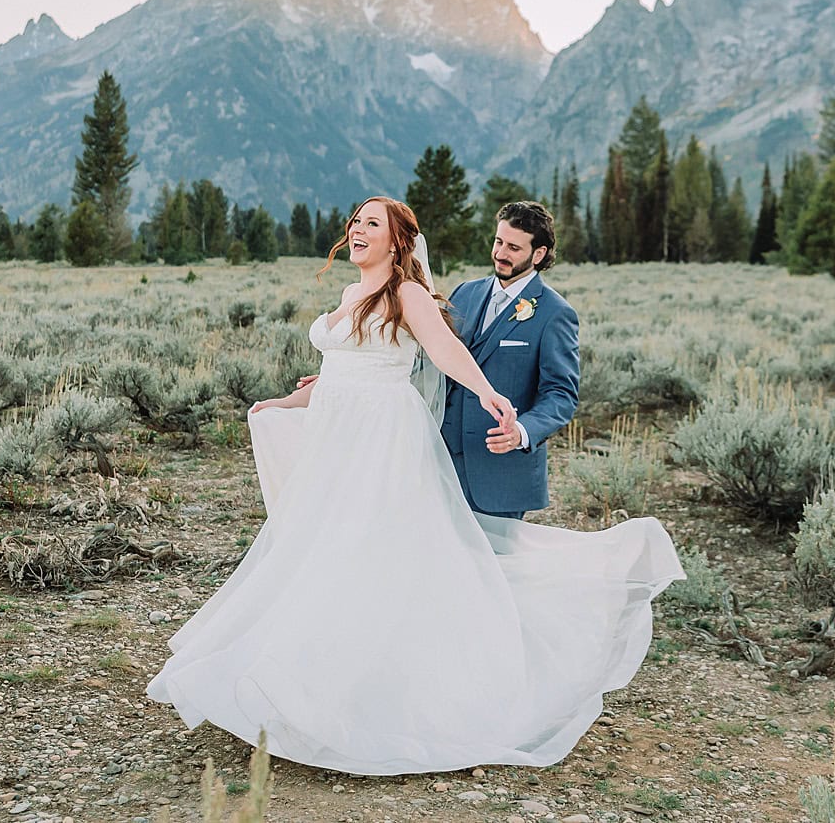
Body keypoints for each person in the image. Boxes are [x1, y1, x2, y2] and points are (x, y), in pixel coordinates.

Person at [145, 196, 683, 776]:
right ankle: (315, 677)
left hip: (387, 441)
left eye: (370, 224)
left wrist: (494, 399)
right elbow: (361, 365)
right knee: (336, 553)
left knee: (412, 558)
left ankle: (439, 678)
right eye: (354, 220)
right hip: (343, 438)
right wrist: (288, 399)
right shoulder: (389, 294)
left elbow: (446, 351)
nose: (356, 229)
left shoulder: (427, 296)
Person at [441, 200, 577, 520]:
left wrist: (522, 432)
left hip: (500, 474)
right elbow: (432, 359)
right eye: (498, 242)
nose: (501, 253)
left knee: (497, 569)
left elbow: (561, 394)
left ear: (539, 254)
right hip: (443, 464)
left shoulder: (555, 313)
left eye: (514, 247)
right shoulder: (464, 293)